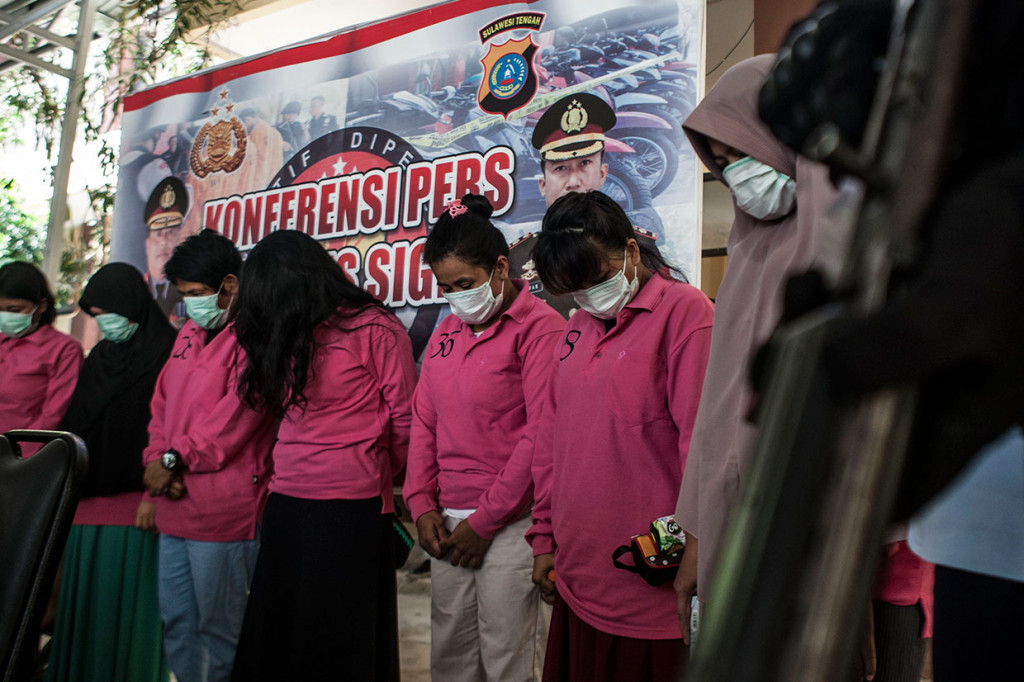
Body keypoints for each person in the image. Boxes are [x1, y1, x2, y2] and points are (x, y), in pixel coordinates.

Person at [526, 191, 714, 681]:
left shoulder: (687, 316)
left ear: (631, 252)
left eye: (597, 278)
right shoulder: (576, 330)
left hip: (650, 587)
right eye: (574, 288)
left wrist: (699, 551)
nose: (588, 295)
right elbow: (551, 444)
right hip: (579, 578)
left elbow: (706, 451)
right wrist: (544, 536)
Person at [229, 230, 417, 681]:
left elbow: (407, 423)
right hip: (287, 503)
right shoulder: (288, 330)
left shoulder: (375, 328)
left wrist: (367, 469)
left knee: (339, 642)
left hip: (349, 509)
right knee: (283, 637)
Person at [403, 194, 564, 681]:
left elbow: (542, 437)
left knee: (508, 657)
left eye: (465, 284)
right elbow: (425, 419)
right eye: (445, 287)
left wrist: (487, 521)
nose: (456, 297)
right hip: (450, 520)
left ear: (500, 268)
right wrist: (420, 502)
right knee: (451, 655)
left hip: (514, 524)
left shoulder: (542, 330)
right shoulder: (448, 331)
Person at [139, 230, 276, 682]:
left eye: (198, 294)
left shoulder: (255, 339)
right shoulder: (187, 335)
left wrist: (173, 460)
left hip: (224, 515)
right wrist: (157, 460)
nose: (190, 304)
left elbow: (233, 422)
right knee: (177, 624)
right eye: (184, 295)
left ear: (231, 285)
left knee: (223, 631)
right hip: (175, 506)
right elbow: (161, 406)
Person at [46, 262, 176, 682]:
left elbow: (170, 428)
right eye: (97, 316)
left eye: (109, 313)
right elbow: (77, 426)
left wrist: (151, 496)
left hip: (137, 510)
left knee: (126, 615)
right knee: (82, 612)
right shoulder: (100, 357)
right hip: (84, 507)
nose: (105, 323)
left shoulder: (169, 354)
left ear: (132, 306)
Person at [508, 92, 660, 318]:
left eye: (584, 164)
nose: (573, 182)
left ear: (602, 173)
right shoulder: (518, 257)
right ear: (542, 184)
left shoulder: (639, 246)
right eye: (560, 169)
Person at [0, 262, 83, 439]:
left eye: (14, 310)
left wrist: (18, 457)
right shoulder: (2, 342)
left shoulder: (64, 350)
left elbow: (52, 416)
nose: (5, 316)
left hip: (23, 455)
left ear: (42, 306)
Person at [144, 176, 189, 322]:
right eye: (158, 234)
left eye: (170, 233)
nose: (163, 241)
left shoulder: (191, 291)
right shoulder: (136, 290)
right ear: (147, 245)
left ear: (179, 240)